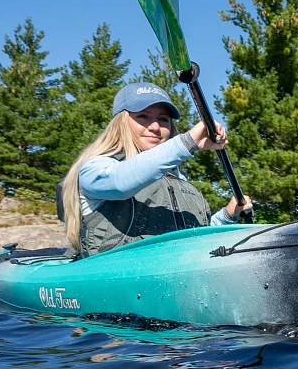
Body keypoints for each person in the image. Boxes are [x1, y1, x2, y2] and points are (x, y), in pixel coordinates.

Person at [60, 82, 252, 256]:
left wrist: (228, 215)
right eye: (142, 116)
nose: (155, 127)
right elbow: (120, 183)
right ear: (121, 123)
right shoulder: (96, 169)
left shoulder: (180, 181)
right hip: (120, 283)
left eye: (163, 119)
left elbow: (196, 238)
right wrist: (187, 142)